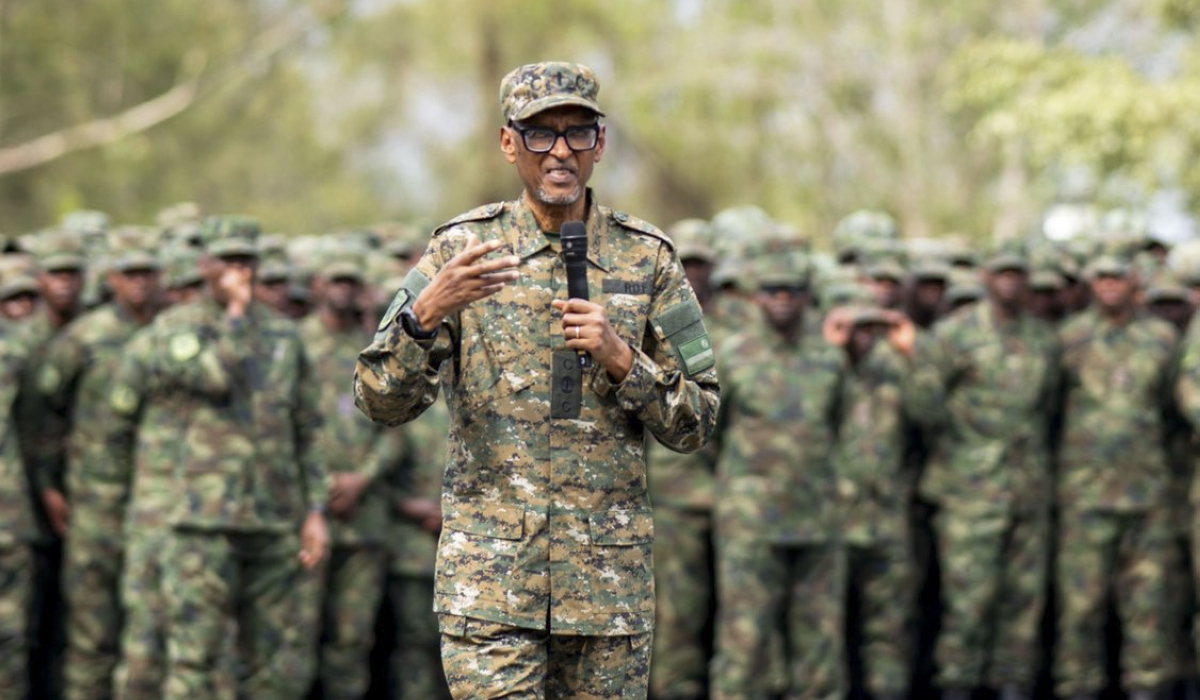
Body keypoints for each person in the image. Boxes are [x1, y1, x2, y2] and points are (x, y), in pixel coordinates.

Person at [354, 61, 721, 699]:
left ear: (600, 144)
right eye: (539, 133)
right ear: (508, 143)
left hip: (607, 591)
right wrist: (425, 314)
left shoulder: (648, 257)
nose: (559, 152)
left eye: (577, 133)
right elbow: (377, 399)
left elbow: (700, 420)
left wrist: (623, 361)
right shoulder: (460, 251)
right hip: (491, 584)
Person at [101, 216, 329, 700]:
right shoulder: (176, 329)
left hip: (271, 520)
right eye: (227, 261)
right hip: (201, 523)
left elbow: (307, 430)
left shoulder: (286, 338)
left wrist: (314, 511)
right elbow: (213, 377)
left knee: (268, 663)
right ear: (205, 265)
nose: (237, 272)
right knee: (194, 660)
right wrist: (239, 315)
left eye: (246, 261)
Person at [917, 240, 1060, 700]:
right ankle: (958, 684)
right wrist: (961, 441)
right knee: (968, 603)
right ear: (985, 278)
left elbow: (1049, 409)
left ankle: (1012, 684)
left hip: (1028, 489)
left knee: (1023, 602)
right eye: (1002, 273)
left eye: (1018, 274)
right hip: (969, 493)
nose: (1010, 282)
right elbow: (921, 404)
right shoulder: (953, 335)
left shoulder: (1043, 338)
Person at [37, 234, 164, 700]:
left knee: (148, 637)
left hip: (157, 503)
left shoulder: (170, 335)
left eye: (146, 273)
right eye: (129, 274)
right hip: (94, 505)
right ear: (111, 280)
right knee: (91, 636)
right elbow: (42, 409)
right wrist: (49, 484)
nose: (138, 283)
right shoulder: (84, 337)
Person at [1054, 254, 1182, 700]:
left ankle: (1146, 687)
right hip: (1084, 494)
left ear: (1135, 283)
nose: (1110, 285)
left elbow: (1172, 408)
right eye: (1102, 277)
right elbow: (1049, 408)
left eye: (1119, 278)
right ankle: (1078, 686)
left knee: (1147, 605)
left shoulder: (1162, 339)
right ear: (1091, 284)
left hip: (1146, 494)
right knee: (1081, 606)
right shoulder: (1069, 338)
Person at [300, 255, 402, 700]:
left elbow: (398, 430)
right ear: (318, 284)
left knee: (352, 643)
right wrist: (318, 489)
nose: (344, 289)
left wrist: (362, 478)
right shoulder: (293, 344)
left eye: (352, 281)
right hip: (306, 519)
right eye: (336, 280)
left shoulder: (374, 348)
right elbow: (279, 429)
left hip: (365, 521)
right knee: (294, 639)